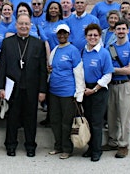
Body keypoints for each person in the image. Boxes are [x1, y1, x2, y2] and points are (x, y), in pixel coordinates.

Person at [0, 13, 47, 157]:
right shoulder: (8, 43)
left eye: (26, 24)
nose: (24, 26)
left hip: (31, 88)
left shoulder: (38, 43)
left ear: (31, 26)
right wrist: (1, 87)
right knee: (12, 117)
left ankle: (30, 146)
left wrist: (42, 90)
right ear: (16, 25)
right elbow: (2, 66)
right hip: (12, 87)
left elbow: (42, 70)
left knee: (31, 118)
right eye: (21, 24)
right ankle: (10, 145)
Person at [102, 20, 130, 159]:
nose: (121, 31)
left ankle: (123, 145)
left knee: (124, 116)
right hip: (111, 85)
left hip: (125, 85)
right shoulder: (109, 48)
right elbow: (105, 68)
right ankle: (112, 141)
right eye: (119, 29)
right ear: (115, 31)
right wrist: (119, 70)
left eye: (124, 29)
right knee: (111, 116)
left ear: (128, 31)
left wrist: (113, 70)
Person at [48, 24, 85, 159]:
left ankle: (67, 149)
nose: (62, 36)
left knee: (66, 122)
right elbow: (51, 69)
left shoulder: (73, 50)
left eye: (64, 33)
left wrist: (79, 94)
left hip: (68, 93)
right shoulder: (55, 49)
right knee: (55, 120)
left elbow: (79, 73)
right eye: (59, 33)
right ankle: (58, 146)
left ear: (68, 34)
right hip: (54, 92)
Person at [81, 23, 114, 162]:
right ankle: (90, 147)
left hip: (98, 90)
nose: (92, 37)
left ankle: (96, 150)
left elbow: (108, 75)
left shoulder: (104, 53)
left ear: (100, 36)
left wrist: (94, 89)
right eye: (90, 35)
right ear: (86, 37)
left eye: (95, 35)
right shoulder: (83, 51)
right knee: (87, 120)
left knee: (96, 122)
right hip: (85, 90)